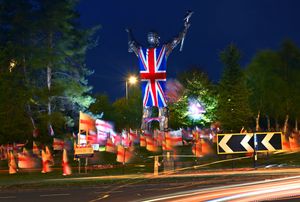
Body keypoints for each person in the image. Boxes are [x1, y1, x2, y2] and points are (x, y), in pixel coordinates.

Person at [127, 13, 191, 132]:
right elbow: (176, 40)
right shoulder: (163, 50)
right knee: (163, 107)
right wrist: (185, 28)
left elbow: (132, 44)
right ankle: (164, 128)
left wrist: (129, 33)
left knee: (147, 108)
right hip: (159, 84)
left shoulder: (141, 51)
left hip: (146, 85)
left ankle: (145, 129)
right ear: (157, 39)